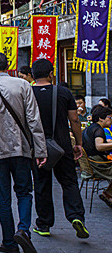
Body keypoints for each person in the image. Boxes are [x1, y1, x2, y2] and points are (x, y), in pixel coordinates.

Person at [0, 52, 47, 253]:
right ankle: (23, 229)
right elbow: (34, 120)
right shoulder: (23, 86)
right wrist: (40, 150)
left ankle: (8, 242)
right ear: (9, 65)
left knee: (3, 199)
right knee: (24, 192)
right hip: (21, 149)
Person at [30, 59, 88, 239]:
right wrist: (78, 143)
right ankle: (76, 216)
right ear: (50, 74)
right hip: (62, 146)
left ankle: (44, 224)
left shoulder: (28, 93)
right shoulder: (64, 92)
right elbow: (75, 120)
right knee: (69, 182)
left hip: (38, 147)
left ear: (32, 75)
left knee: (42, 184)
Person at [82, 105, 112, 207]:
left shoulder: (90, 128)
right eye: (110, 117)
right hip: (99, 165)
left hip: (92, 163)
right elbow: (99, 146)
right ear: (101, 118)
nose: (111, 120)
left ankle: (108, 193)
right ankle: (107, 193)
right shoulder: (98, 130)